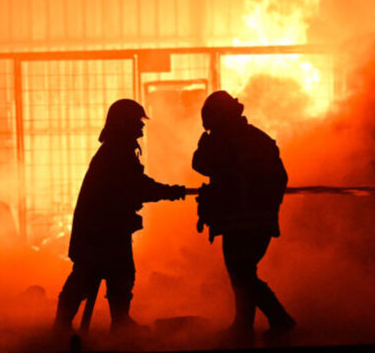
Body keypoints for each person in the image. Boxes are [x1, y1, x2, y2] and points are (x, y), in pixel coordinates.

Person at [53, 99, 186, 334]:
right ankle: (73, 325)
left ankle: (108, 323)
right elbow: (136, 187)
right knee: (92, 275)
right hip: (102, 230)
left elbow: (133, 186)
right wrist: (170, 191)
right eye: (137, 121)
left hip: (106, 228)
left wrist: (169, 191)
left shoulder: (117, 149)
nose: (141, 127)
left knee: (114, 274)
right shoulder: (117, 152)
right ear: (125, 122)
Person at [192, 91, 295, 344]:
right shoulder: (258, 138)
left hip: (239, 222)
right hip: (260, 221)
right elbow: (281, 178)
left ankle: (279, 320)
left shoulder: (223, 140)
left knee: (242, 275)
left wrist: (203, 144)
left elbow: (200, 165)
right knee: (243, 273)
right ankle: (244, 326)